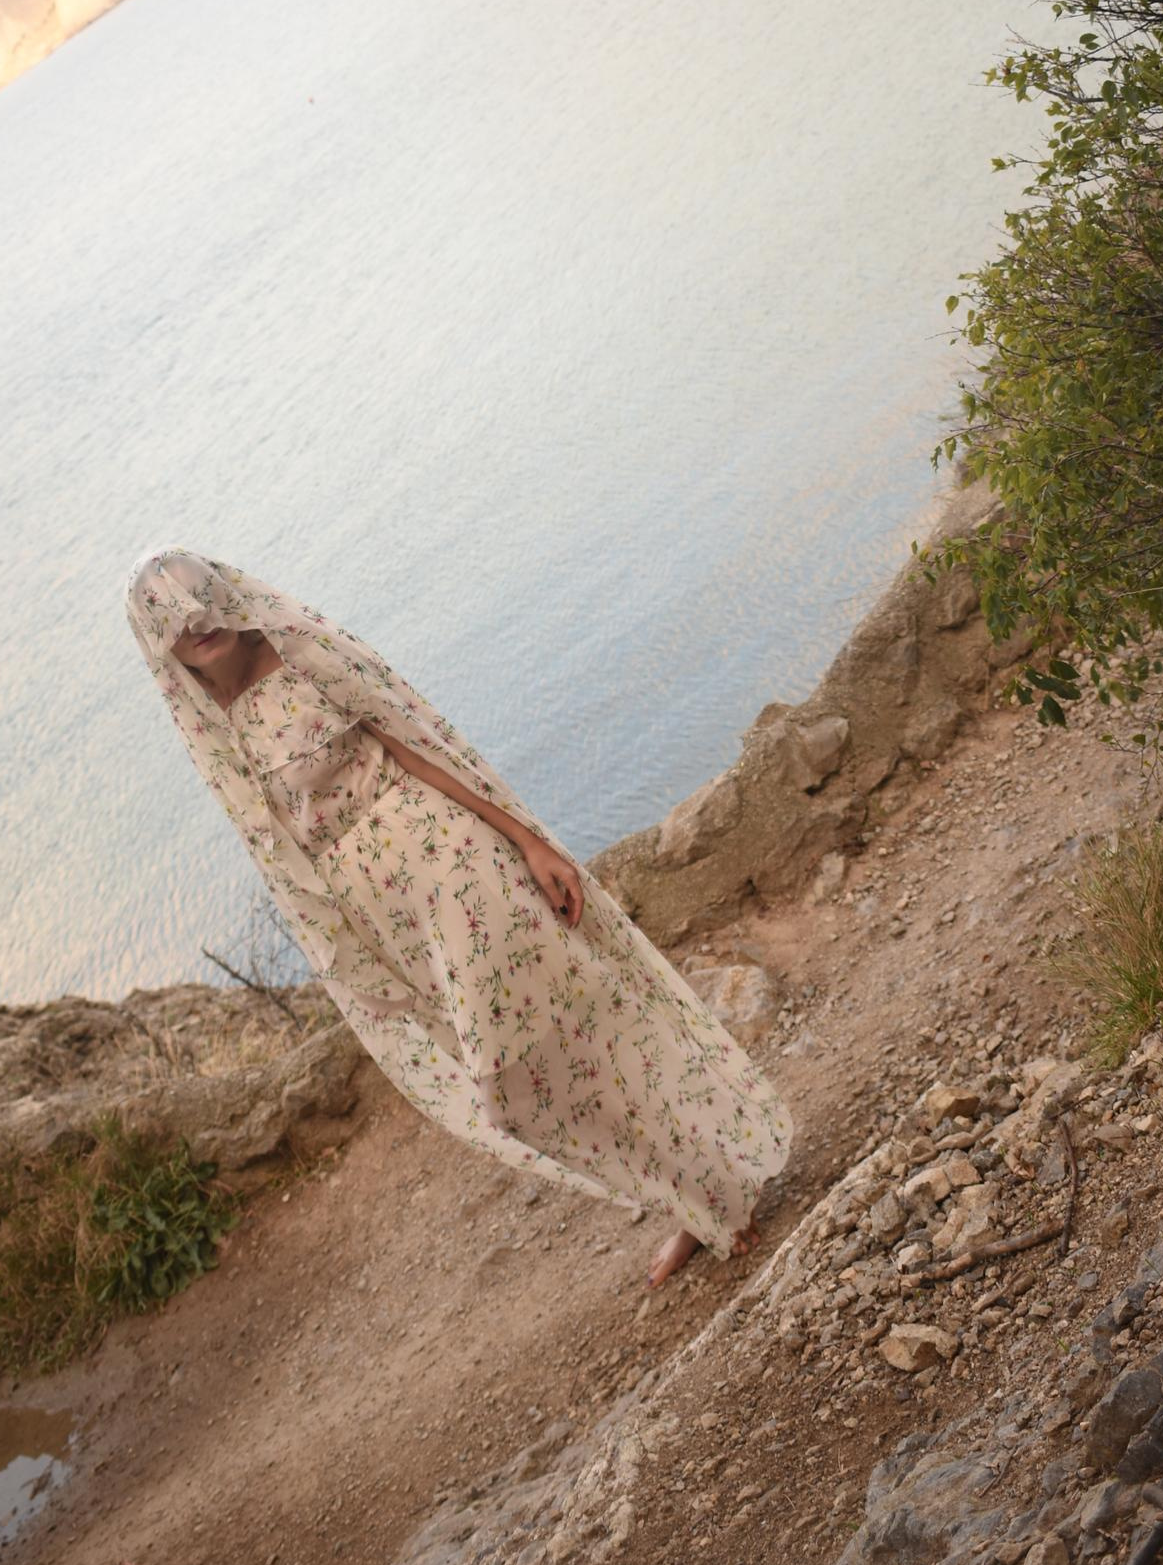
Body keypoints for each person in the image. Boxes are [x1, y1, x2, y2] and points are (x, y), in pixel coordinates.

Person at [126, 551, 792, 1287]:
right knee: (532, 1085)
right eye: (173, 618)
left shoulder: (295, 651)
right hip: (386, 919)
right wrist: (354, 957)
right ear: (155, 640)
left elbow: (416, 738)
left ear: (221, 593)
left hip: (448, 863)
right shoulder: (209, 730)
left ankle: (719, 1185)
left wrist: (529, 841)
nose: (196, 622)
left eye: (199, 601)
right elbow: (283, 858)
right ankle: (697, 1199)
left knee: (543, 1054)